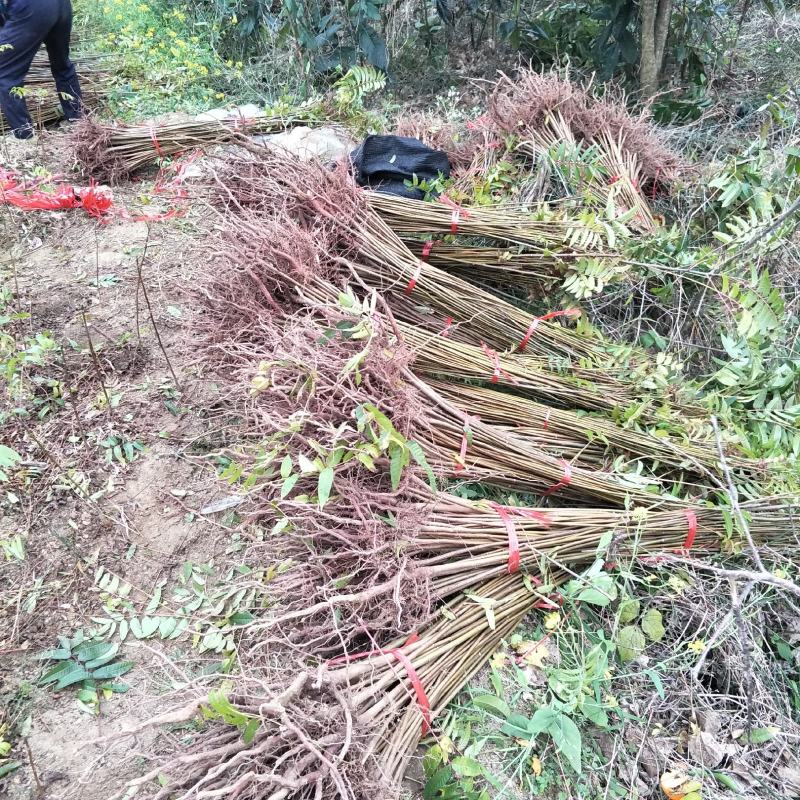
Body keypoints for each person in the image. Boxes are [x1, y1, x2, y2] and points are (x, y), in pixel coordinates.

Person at [0, 0, 83, 139]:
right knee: (62, 65)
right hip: (61, 5)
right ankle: (79, 120)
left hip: (30, 7)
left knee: (5, 74)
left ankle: (24, 135)